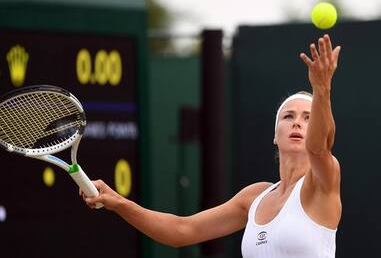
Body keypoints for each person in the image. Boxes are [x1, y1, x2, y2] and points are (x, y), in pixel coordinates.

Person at [81, 34, 342, 258]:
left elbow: (318, 148)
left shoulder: (322, 182)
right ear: (275, 134)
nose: (297, 123)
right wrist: (118, 202)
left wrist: (322, 90)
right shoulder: (255, 197)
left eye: (308, 118)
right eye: (289, 116)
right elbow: (182, 231)